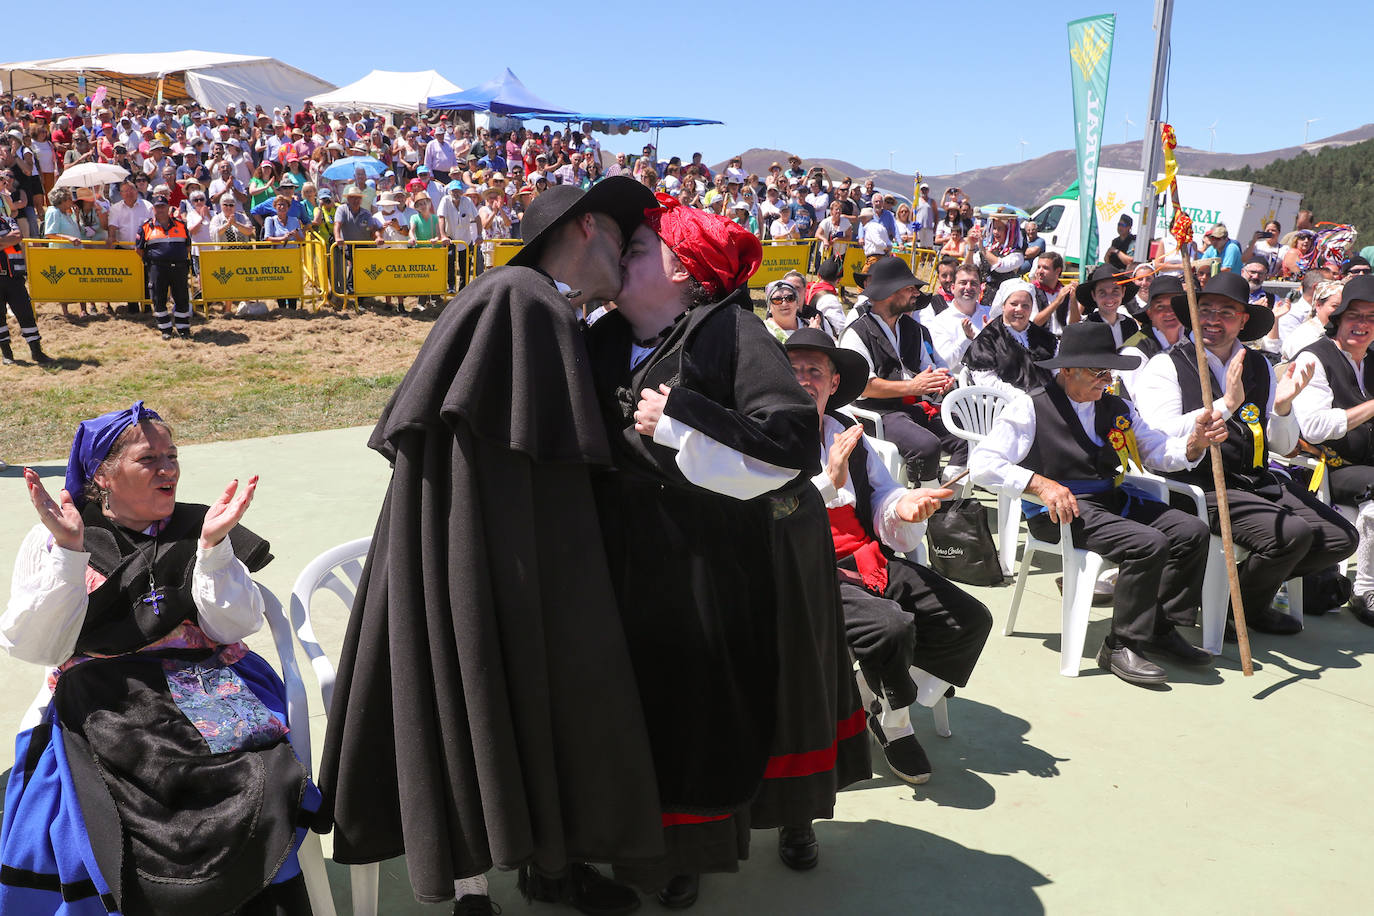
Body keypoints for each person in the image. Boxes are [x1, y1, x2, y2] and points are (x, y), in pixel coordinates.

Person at [318, 177, 664, 916]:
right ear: (584, 228)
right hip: (490, 560)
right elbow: (491, 468)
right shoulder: (520, 300)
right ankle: (485, 879)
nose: (628, 257)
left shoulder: (531, 302)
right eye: (622, 240)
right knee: (492, 691)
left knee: (542, 701)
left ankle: (550, 865)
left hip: (508, 554)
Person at [584, 192, 867, 907]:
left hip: (716, 561)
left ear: (685, 270)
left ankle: (701, 846)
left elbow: (789, 442)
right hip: (625, 561)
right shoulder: (603, 335)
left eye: (638, 250)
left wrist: (680, 414)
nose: (621, 259)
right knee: (641, 705)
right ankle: (643, 841)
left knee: (720, 702)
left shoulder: (730, 331)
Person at [0, 402, 321, 914]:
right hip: (105, 693)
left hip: (204, 680)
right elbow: (39, 648)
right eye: (149, 459)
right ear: (102, 476)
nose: (168, 469)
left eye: (172, 456)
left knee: (251, 779)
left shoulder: (201, 525)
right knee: (120, 793)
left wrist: (213, 548)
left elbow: (233, 626)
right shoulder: (59, 534)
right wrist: (68, 553)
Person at [786, 328, 991, 784]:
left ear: (834, 383)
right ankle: (896, 725)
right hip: (803, 571)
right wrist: (827, 482)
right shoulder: (764, 434)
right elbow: (769, 516)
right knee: (890, 627)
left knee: (968, 620)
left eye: (814, 370)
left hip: (866, 561)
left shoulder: (846, 433)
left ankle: (868, 695)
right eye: (793, 369)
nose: (803, 379)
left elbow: (883, 495)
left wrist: (905, 506)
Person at [970, 323, 1226, 685]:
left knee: (1192, 531)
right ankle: (1120, 645)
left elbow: (1155, 449)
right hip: (1059, 512)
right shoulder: (1030, 407)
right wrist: (1039, 484)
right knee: (1148, 543)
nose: (1107, 379)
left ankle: (1159, 626)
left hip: (1109, 500)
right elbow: (981, 464)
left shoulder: (1116, 406)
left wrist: (1194, 443)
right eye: (1098, 371)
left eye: (1110, 371)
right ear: (1067, 370)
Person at [1134, 271, 1357, 635]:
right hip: (1197, 484)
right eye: (1206, 310)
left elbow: (1280, 445)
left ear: (1243, 321)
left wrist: (1283, 408)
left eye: (1226, 312)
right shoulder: (1166, 365)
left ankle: (1239, 598)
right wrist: (1226, 403)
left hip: (1254, 480)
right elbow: (1160, 435)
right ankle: (1240, 605)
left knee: (1340, 538)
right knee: (1291, 535)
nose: (1212, 320)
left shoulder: (1259, 365)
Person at [1291, 275, 1374, 626]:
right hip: (1330, 468)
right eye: (1354, 315)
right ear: (1338, 319)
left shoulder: (1371, 360)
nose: (1362, 324)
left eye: (1371, 318)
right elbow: (1313, 426)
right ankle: (1365, 590)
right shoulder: (1315, 358)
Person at [840, 256, 963, 483]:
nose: (916, 293)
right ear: (889, 292)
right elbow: (864, 386)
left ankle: (945, 497)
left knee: (964, 436)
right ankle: (925, 497)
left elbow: (926, 370)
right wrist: (912, 386)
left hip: (913, 408)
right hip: (879, 414)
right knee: (926, 446)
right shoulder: (856, 333)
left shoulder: (912, 328)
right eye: (909, 288)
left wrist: (938, 381)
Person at [966, 279, 1058, 395]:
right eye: (1014, 304)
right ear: (1003, 306)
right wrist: (1020, 396)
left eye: (1025, 305)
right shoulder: (987, 339)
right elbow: (986, 381)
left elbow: (1057, 370)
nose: (1019, 309)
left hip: (1047, 398)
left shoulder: (1045, 337)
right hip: (1007, 401)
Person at [135, 191, 193, 340]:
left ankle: (183, 329)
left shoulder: (181, 225)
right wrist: (153, 260)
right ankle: (165, 329)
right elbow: (139, 249)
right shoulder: (145, 227)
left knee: (181, 298)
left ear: (168, 208)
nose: (160, 209)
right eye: (157, 207)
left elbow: (188, 246)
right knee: (158, 298)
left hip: (179, 267)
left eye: (163, 206)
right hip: (157, 268)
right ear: (153, 209)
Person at [0, 204, 51, 364]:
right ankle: (7, 354)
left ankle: (37, 352)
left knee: (26, 314)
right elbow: (11, 239)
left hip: (14, 278)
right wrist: (6, 241)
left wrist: (5, 241)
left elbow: (17, 236)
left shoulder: (7, 220)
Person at [1078, 263, 1143, 348]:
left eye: (1115, 291)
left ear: (1123, 292)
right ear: (1094, 295)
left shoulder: (1130, 325)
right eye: (1102, 293)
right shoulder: (1086, 328)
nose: (1109, 298)